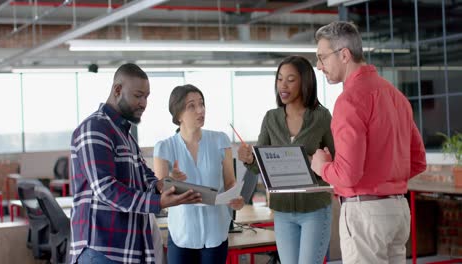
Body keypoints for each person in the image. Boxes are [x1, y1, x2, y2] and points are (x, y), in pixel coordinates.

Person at [311, 21, 427, 264]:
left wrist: (321, 166)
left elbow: (347, 175)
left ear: (344, 55)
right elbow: (418, 161)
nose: (319, 66)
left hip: (365, 214)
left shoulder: (349, 100)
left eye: (322, 58)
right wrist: (386, 175)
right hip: (398, 211)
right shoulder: (396, 96)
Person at [69, 63, 202, 264]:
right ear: (117, 90)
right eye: (138, 96)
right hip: (101, 249)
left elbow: (143, 175)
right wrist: (159, 202)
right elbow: (105, 189)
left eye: (147, 97)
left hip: (127, 248)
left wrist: (162, 185)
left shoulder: (125, 135)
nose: (143, 103)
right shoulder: (94, 128)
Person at [237, 55, 335, 264]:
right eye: (280, 79)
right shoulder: (271, 118)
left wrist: (314, 160)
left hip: (315, 209)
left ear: (305, 82)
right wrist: (248, 159)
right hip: (282, 211)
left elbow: (335, 162)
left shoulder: (322, 117)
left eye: (291, 79)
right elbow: (258, 167)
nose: (283, 85)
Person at [153, 84, 244, 264]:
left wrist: (236, 199)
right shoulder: (164, 147)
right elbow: (160, 196)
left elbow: (230, 182)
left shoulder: (220, 140)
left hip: (216, 233)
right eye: (191, 106)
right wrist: (171, 181)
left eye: (202, 104)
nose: (200, 110)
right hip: (182, 235)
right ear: (178, 114)